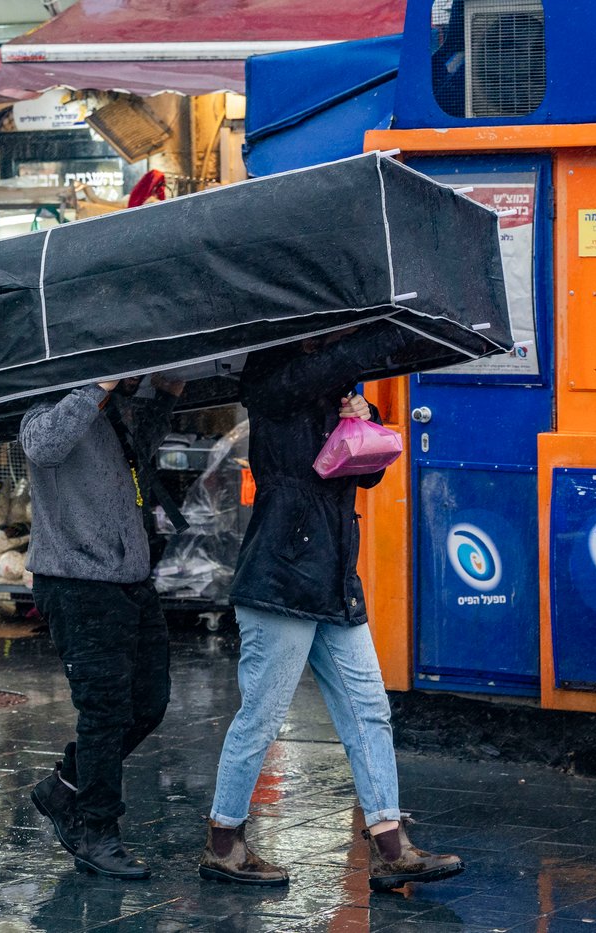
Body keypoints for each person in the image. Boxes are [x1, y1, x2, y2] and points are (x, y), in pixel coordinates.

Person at [199, 326, 465, 892]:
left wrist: (358, 418)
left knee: (369, 708)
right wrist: (364, 353)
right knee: (263, 715)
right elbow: (315, 377)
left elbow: (361, 470)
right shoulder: (273, 374)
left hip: (333, 576)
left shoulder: (333, 380)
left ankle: (390, 844)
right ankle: (224, 841)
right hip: (282, 572)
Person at [21, 375, 182, 880]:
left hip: (130, 576)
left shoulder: (116, 406)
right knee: (105, 713)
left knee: (148, 702)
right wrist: (99, 385)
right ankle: (96, 831)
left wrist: (168, 394)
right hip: (76, 581)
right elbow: (42, 446)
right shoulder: (43, 393)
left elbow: (140, 454)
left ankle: (64, 786)